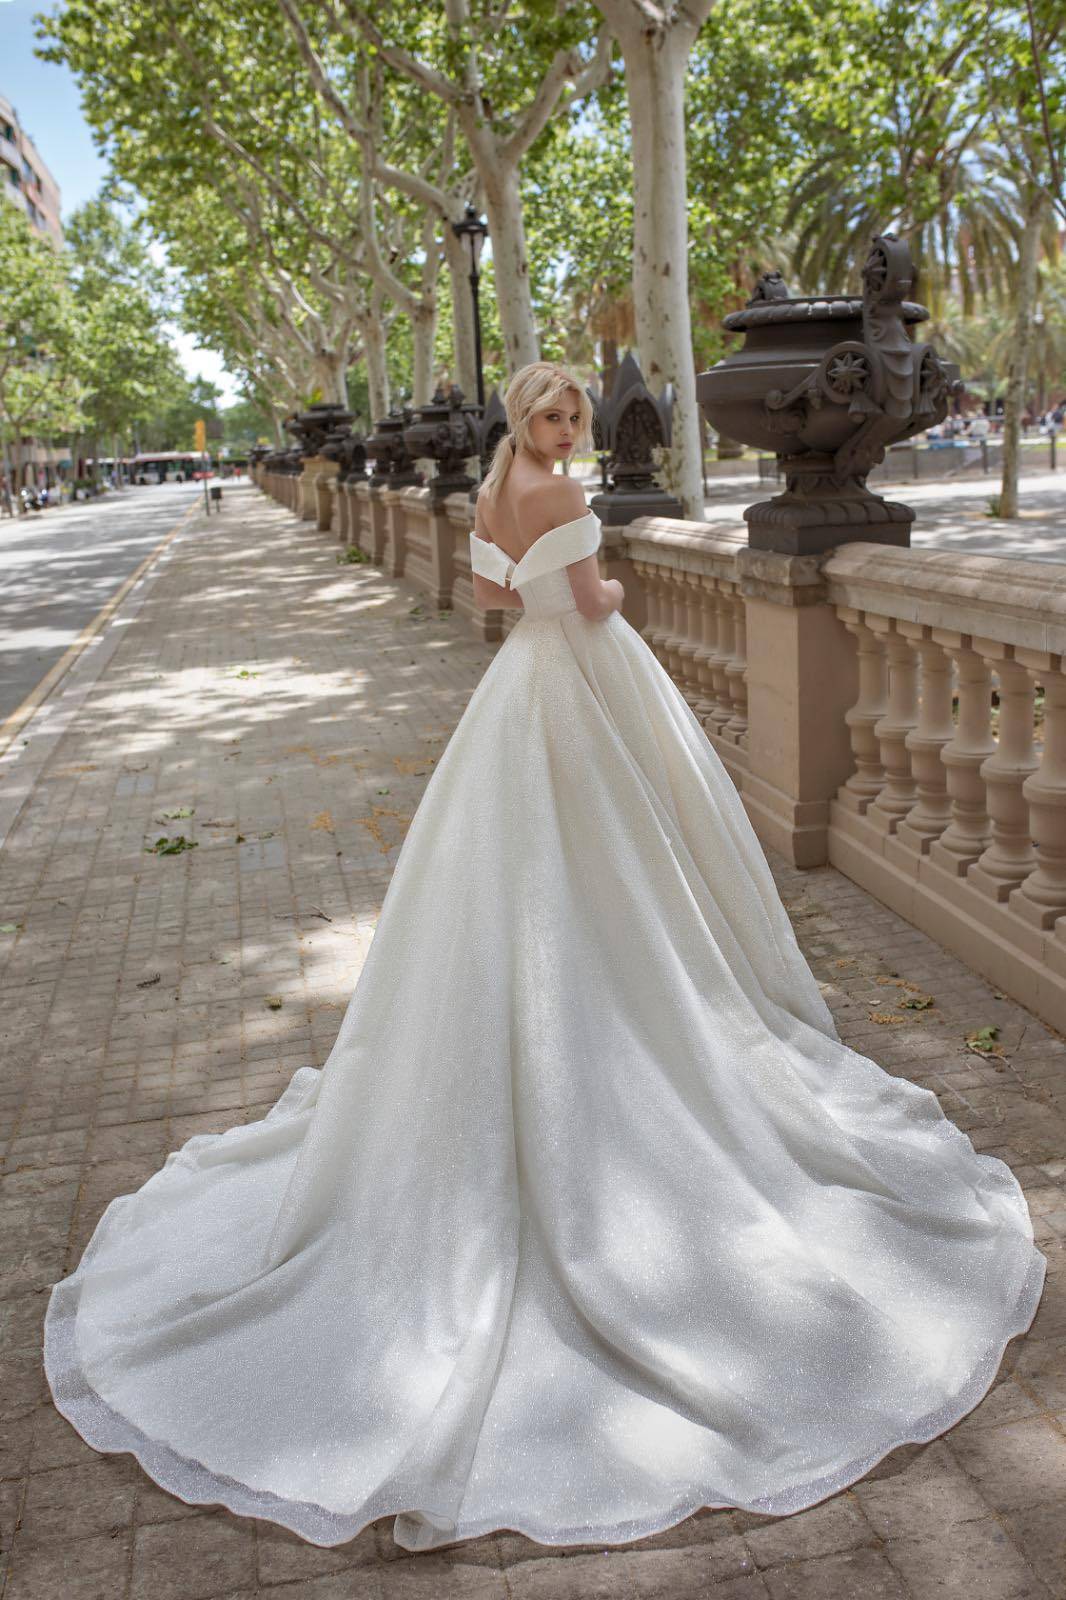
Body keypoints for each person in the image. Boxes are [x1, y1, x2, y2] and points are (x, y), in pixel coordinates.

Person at [43, 359, 1045, 1556]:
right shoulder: (565, 501)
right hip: (581, 686)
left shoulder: (495, 488)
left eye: (574, 413)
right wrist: (610, 580)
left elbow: (493, 596)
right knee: (609, 870)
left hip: (518, 695)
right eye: (555, 414)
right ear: (527, 418)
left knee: (534, 876)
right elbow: (588, 606)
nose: (568, 429)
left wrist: (561, 581)